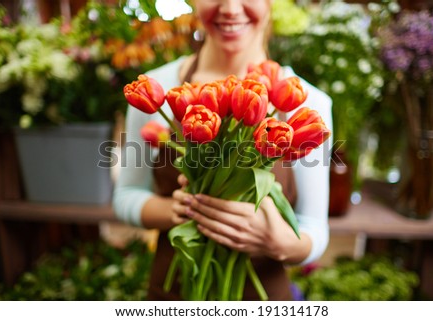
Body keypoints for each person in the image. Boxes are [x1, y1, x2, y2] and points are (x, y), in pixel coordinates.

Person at [113, 0, 333, 300]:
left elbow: (314, 229)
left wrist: (280, 242)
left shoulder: (307, 103)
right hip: (175, 294)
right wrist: (181, 210)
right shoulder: (160, 87)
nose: (230, 8)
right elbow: (125, 197)